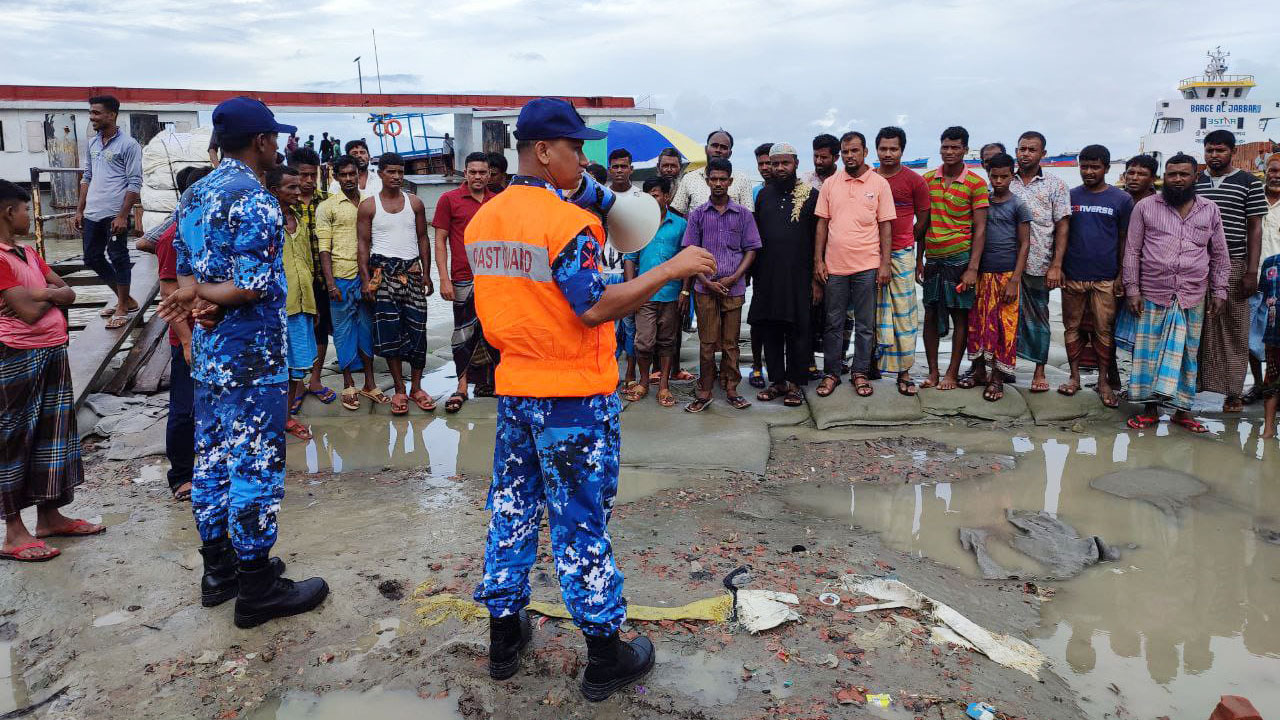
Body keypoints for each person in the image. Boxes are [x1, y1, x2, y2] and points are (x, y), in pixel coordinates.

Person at [465, 97, 715, 699]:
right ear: (543, 151)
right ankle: (605, 653)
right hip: (573, 394)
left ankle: (505, 635)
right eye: (576, 148)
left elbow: (532, 298)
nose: (584, 158)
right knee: (580, 522)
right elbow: (591, 306)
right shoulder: (565, 224)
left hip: (518, 388)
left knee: (513, 507)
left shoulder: (484, 221)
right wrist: (667, 270)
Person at [158, 97, 327, 625]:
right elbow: (251, 287)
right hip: (251, 358)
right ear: (260, 143)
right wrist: (208, 296)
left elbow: (186, 275)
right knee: (254, 464)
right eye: (275, 138)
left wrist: (197, 299)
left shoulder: (195, 194)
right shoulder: (254, 200)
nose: (279, 146)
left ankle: (219, 571)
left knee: (210, 461)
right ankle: (256, 588)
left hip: (209, 356)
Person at [0, 180, 105, 563]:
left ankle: (49, 516)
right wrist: (48, 295)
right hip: (15, 354)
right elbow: (26, 312)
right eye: (26, 209)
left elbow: (69, 292)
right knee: (14, 438)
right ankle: (13, 531)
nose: (30, 215)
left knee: (54, 434)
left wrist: (44, 293)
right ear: (9, 212)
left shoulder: (27, 254)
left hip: (50, 351)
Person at [1123, 153, 1230, 434]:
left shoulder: (1209, 209)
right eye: (1172, 174)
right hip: (1153, 291)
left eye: (1184, 174)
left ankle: (1183, 412)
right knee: (1148, 353)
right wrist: (1132, 290)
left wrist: (1220, 291)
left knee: (1187, 354)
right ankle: (1149, 410)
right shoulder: (1146, 207)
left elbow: (1219, 254)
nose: (1178, 179)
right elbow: (1132, 250)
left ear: (1196, 176)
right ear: (1164, 177)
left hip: (1193, 293)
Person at [146, 165, 214, 502]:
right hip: (189, 335)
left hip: (212, 329)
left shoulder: (205, 231)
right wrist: (187, 341)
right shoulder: (175, 237)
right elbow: (170, 297)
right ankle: (182, 475)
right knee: (185, 407)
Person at [812, 131, 895, 399]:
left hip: (867, 265)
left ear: (865, 152)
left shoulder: (879, 184)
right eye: (845, 152)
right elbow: (822, 224)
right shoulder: (830, 184)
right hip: (835, 267)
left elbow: (885, 226)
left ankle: (860, 372)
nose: (850, 156)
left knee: (865, 324)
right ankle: (831, 373)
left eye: (854, 151)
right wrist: (818, 261)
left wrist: (884, 263)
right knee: (833, 323)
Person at [1194, 129, 1267, 413]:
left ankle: (1234, 393)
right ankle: (1195, 386)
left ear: (1232, 152)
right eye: (1210, 150)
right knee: (1198, 327)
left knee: (1235, 328)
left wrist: (1252, 271)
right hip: (1198, 265)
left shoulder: (1248, 182)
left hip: (1236, 263)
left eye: (1220, 150)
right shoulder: (1195, 181)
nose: (1214, 155)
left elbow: (1255, 227)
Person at [357, 152, 435, 415]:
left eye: (400, 172)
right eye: (391, 171)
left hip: (412, 272)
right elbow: (363, 244)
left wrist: (427, 273)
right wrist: (366, 280)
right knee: (390, 333)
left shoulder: (415, 203)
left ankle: (417, 387)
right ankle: (400, 389)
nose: (396, 177)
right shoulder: (369, 206)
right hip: (384, 275)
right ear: (380, 173)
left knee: (418, 330)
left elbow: (424, 238)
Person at [682, 157, 761, 412]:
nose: (718, 184)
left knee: (730, 343)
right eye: (713, 179)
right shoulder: (697, 215)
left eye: (722, 179)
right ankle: (705, 389)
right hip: (704, 289)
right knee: (706, 343)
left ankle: (731, 387)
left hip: (734, 288)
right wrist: (706, 280)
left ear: (730, 181)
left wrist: (734, 277)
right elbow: (691, 252)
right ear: (707, 182)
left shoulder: (743, 215)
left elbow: (751, 250)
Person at [1058, 144, 1132, 408]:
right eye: (1084, 166)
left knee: (1104, 331)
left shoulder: (1121, 200)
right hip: (1073, 275)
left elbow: (1125, 239)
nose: (1088, 172)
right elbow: (1061, 234)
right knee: (1072, 327)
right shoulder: (1069, 196)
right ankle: (1074, 376)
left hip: (1106, 278)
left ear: (1107, 169)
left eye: (1094, 167)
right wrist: (1059, 266)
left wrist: (1123, 274)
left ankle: (1103, 380)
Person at [920, 126, 988, 390]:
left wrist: (973, 268)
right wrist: (918, 261)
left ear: (964, 150)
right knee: (930, 315)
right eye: (945, 147)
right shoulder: (927, 180)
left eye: (955, 147)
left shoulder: (976, 183)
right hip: (933, 258)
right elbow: (922, 225)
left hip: (960, 259)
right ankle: (933, 372)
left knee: (960, 316)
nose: (949, 152)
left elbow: (980, 229)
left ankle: (952, 373)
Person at [749, 143, 816, 407]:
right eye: (774, 163)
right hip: (767, 276)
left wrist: (816, 276)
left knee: (798, 330)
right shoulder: (763, 196)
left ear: (796, 163)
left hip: (799, 276)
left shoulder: (811, 195)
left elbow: (817, 238)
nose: (778, 168)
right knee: (770, 329)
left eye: (784, 163)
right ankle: (777, 382)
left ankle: (796, 385)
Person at [318, 155, 386, 412]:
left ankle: (370, 383)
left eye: (352, 174)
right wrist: (330, 283)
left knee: (367, 329)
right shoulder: (328, 207)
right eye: (343, 175)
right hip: (341, 276)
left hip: (367, 277)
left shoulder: (370, 204)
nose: (348, 179)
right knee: (344, 331)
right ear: (335, 177)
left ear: (359, 175)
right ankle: (348, 384)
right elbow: (324, 248)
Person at [433, 152, 498, 413]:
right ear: (465, 173)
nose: (478, 177)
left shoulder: (498, 201)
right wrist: (443, 278)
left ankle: (493, 383)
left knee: (494, 331)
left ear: (489, 174)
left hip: (494, 278)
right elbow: (440, 241)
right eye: (473, 172)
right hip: (462, 276)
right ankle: (461, 386)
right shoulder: (449, 200)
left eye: (483, 172)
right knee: (463, 332)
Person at [73, 95, 143, 329]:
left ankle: (122, 305)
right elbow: (87, 177)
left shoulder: (129, 145)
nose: (92, 117)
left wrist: (123, 215)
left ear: (111, 115)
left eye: (96, 113)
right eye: (91, 113)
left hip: (114, 212)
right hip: (93, 211)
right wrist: (79, 209)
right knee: (91, 257)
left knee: (119, 257)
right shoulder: (92, 144)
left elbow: (134, 182)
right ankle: (127, 299)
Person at [1010, 131, 1071, 393]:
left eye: (1031, 149)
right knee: (1007, 316)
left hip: (1039, 261)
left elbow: (1063, 225)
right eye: (1022, 149)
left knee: (1039, 318)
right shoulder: (1004, 182)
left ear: (1042, 154)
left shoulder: (1055, 185)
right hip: (1006, 263)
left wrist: (1057, 264)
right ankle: (1003, 367)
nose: (1025, 154)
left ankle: (1039, 369)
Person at [966, 153, 1030, 402]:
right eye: (995, 176)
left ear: (1012, 176)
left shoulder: (1018, 205)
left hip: (1006, 274)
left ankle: (998, 377)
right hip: (983, 272)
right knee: (980, 323)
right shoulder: (984, 202)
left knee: (1005, 327)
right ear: (988, 176)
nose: (999, 181)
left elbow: (1024, 244)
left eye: (1004, 176)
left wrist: (1015, 279)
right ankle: (979, 370)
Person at [621, 177, 687, 407]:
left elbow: (685, 260)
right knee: (644, 342)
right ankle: (643, 382)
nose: (652, 198)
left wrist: (685, 292)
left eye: (656, 194)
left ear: (667, 197)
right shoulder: (639, 224)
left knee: (667, 342)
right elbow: (629, 258)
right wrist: (632, 289)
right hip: (644, 294)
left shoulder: (680, 225)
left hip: (671, 294)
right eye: (648, 194)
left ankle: (665, 386)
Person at [873, 126, 929, 396]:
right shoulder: (869, 179)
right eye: (883, 149)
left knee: (904, 315)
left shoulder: (915, 181)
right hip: (870, 254)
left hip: (901, 254)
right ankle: (873, 364)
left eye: (893, 149)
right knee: (873, 313)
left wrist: (913, 250)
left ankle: (904, 371)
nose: (888, 154)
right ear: (876, 150)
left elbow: (924, 220)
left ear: (902, 151)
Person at [263, 166, 317, 441]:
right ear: (275, 192)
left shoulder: (298, 219)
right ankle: (273, 418)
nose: (299, 192)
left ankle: (285, 417)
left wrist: (313, 303)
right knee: (274, 366)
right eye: (292, 188)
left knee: (297, 365)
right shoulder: (265, 222)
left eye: (299, 187)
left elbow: (306, 259)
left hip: (301, 303)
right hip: (275, 307)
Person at [285, 147, 337, 409]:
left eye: (312, 175)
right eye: (303, 175)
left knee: (321, 330)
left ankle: (315, 380)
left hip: (322, 278)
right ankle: (297, 384)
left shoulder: (328, 202)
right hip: (294, 282)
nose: (308, 181)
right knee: (296, 331)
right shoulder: (285, 205)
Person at [654, 147, 696, 382]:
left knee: (676, 323)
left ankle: (676, 368)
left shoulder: (685, 189)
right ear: (659, 167)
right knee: (650, 326)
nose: (669, 169)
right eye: (665, 165)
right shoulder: (650, 192)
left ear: (679, 167)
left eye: (673, 165)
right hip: (653, 264)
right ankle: (655, 370)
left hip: (680, 261)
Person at [671, 130, 755, 215]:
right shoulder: (689, 178)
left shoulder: (742, 179)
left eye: (724, 147)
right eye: (714, 146)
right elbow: (677, 213)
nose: (718, 150)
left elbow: (748, 216)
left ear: (730, 153)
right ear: (706, 149)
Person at [747, 141, 773, 389]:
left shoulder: (794, 192)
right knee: (758, 317)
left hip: (785, 267)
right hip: (760, 265)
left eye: (769, 163)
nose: (766, 167)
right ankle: (756, 365)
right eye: (761, 164)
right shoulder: (756, 193)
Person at [1259, 246, 1280, 437]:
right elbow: (1263, 298)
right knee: (1271, 382)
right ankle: (1268, 428)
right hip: (1274, 335)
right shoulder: (1270, 264)